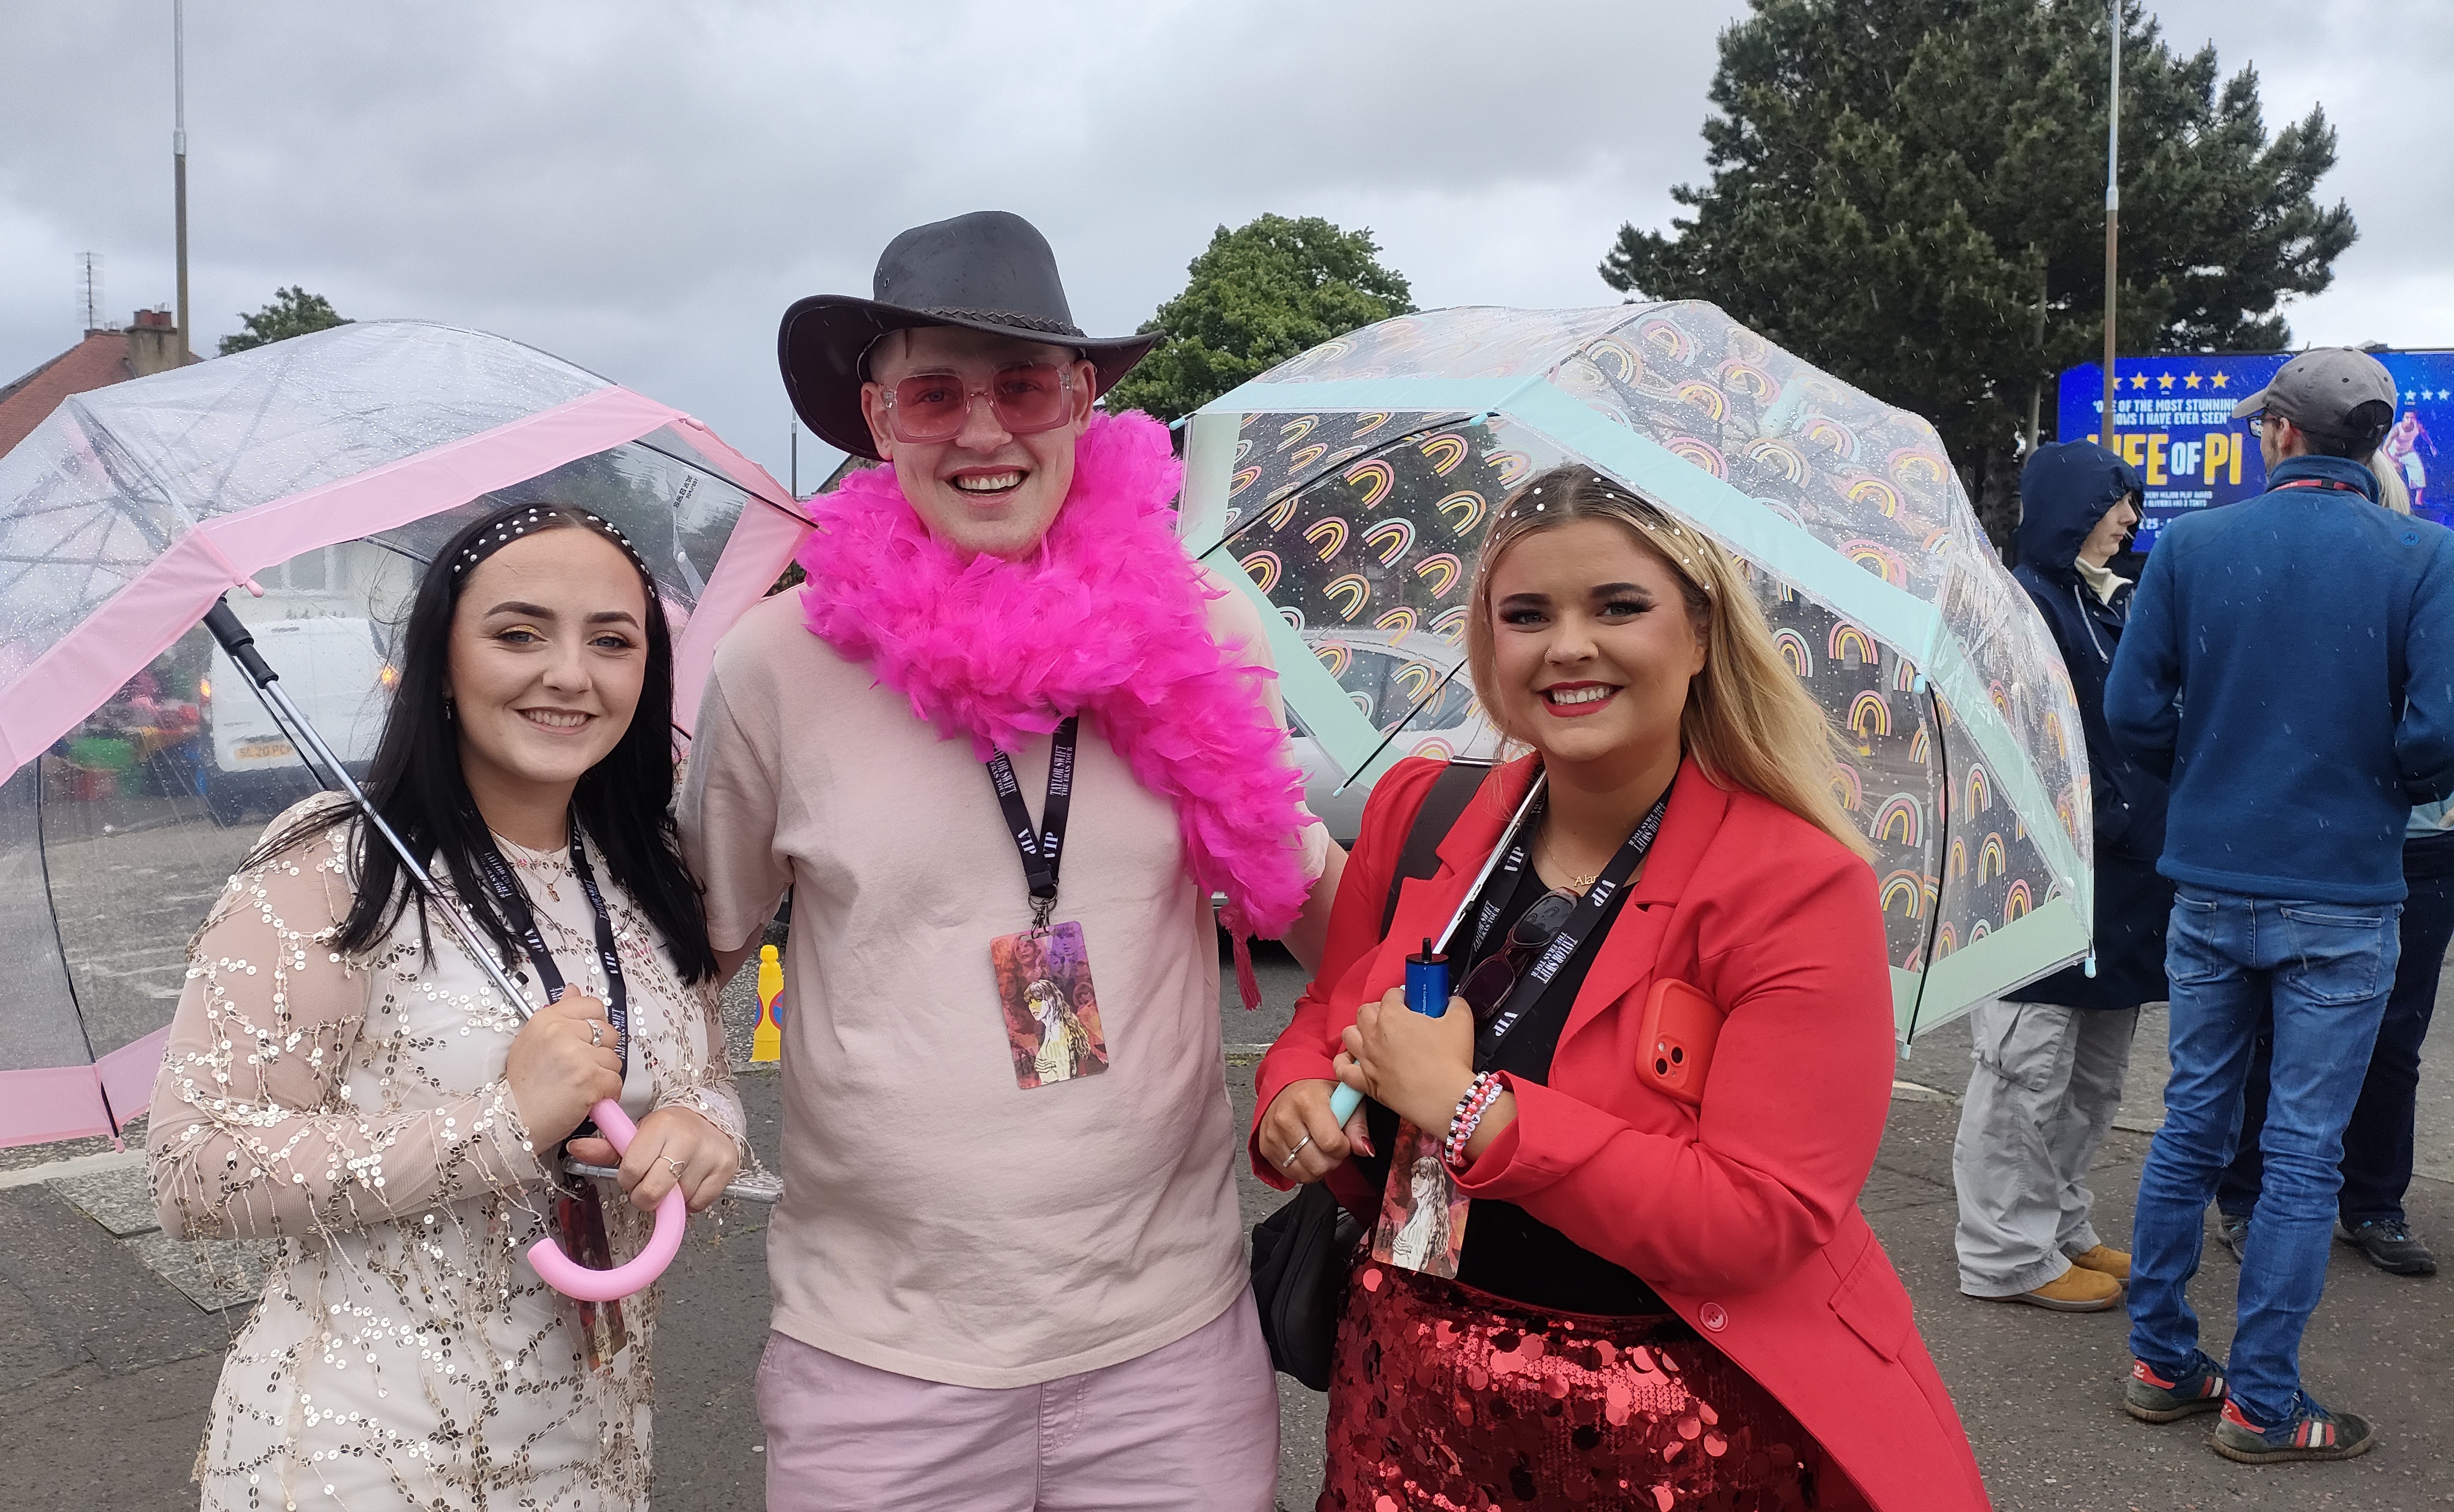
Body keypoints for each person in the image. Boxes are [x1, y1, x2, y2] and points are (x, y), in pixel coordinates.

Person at [678, 210, 1340, 1512]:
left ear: (1082, 400)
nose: (984, 433)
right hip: (879, 1362)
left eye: (1023, 386)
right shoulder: (776, 663)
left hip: (1169, 1348)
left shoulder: (1193, 625)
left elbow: (1315, 906)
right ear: (877, 420)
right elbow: (690, 944)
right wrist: (684, 1101)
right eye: (936, 393)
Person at [1253, 467, 1988, 1510]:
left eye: (1616, 606)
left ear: (1696, 635)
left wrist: (1472, 1110)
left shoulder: (1796, 887)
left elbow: (1757, 1213)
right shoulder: (1419, 812)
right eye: (1525, 613)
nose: (1566, 645)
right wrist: (1288, 1093)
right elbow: (1326, 1013)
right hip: (1399, 1393)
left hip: (1665, 1424)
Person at [148, 501, 742, 1510]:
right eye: (518, 633)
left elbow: (706, 1081)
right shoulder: (335, 863)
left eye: (612, 639)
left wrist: (700, 1132)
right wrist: (505, 1125)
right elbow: (195, 1170)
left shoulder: (648, 864)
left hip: (593, 1448)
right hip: (363, 1457)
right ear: (441, 660)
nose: (569, 672)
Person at [2106, 347, 2454, 1463]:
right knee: (2302, 1151)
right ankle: (2259, 1400)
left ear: (2280, 435)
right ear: (2368, 443)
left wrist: (2207, 766)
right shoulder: (2424, 555)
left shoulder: (2195, 544)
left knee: (2190, 1124)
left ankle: (2160, 1360)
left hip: (2210, 878)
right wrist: (2379, 778)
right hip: (2345, 892)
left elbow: (2131, 709)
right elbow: (2436, 736)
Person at [2212, 451, 2451, 1279]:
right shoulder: (2297, 591)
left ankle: (2375, 1202)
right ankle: (2247, 1197)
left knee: (2396, 1036)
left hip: (2424, 849)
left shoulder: (2430, 575)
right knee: (2271, 1031)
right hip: (2324, 843)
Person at [1950, 442, 2170, 1312]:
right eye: (2113, 504)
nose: (2127, 522)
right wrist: (2114, 816)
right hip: (2040, 887)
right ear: (2069, 508)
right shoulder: (2016, 610)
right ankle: (2005, 1253)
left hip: (2116, 889)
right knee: (2023, 1072)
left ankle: (2059, 1223)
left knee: (2091, 1077)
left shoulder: (2100, 606)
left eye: (2130, 506)